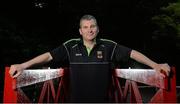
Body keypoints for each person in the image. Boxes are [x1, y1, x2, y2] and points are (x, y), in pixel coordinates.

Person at [9, 14, 170, 102]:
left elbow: (132, 53)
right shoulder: (71, 45)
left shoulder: (107, 45)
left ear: (98, 29)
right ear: (80, 31)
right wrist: (23, 65)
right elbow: (48, 56)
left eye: (92, 26)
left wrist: (155, 64)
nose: (89, 30)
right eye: (85, 27)